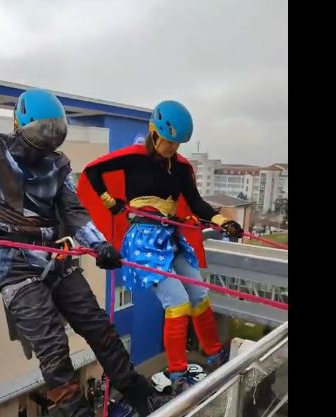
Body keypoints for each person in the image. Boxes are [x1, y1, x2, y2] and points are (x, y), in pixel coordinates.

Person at [0, 88, 156, 416]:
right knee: (53, 348)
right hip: (15, 266)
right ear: (18, 126)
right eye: (39, 138)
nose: (44, 148)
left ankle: (139, 395)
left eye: (51, 139)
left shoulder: (58, 164)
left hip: (56, 258)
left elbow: (74, 211)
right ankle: (76, 412)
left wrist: (100, 244)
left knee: (98, 326)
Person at [77, 100, 243, 395]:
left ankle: (215, 354)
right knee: (177, 302)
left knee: (199, 295)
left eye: (176, 144)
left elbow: (196, 202)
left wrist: (222, 221)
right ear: (154, 132)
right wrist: (109, 201)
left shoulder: (179, 168)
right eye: (168, 141)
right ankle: (178, 374)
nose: (171, 148)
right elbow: (93, 173)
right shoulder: (134, 158)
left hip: (171, 237)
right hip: (143, 241)